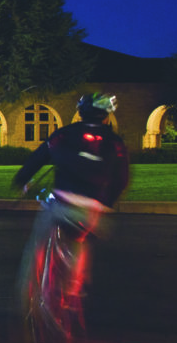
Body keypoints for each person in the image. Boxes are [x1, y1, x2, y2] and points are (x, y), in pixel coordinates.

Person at [12, 92, 129, 320]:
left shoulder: (64, 134)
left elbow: (38, 158)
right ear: (106, 116)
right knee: (80, 240)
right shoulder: (115, 142)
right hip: (90, 208)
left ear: (80, 112)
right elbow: (121, 177)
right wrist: (106, 203)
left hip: (62, 200)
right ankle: (72, 290)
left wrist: (21, 180)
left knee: (36, 245)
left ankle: (26, 294)